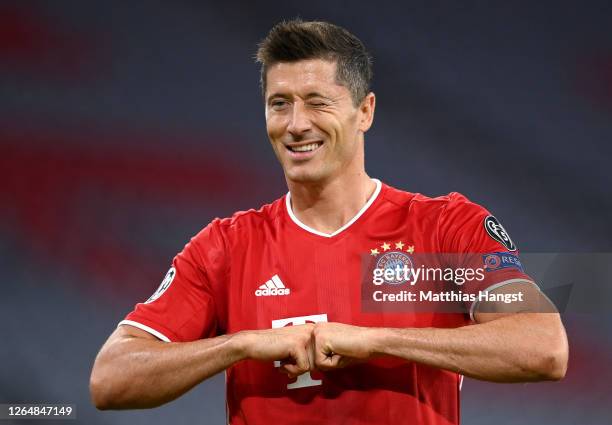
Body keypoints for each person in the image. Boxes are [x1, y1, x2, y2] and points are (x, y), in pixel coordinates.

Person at [90, 19, 568, 425]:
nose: (296, 123)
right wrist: (239, 346)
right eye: (280, 103)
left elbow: (542, 346)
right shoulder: (226, 247)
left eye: (317, 102)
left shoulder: (446, 228)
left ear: (365, 111)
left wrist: (376, 339)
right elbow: (110, 378)